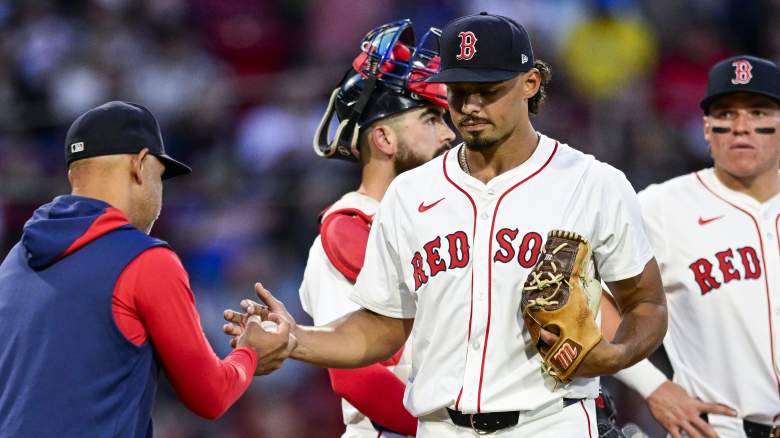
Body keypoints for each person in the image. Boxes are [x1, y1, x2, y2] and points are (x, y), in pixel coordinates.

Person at [226, 12, 667, 437]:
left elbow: (645, 304)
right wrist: (295, 341)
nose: (470, 106)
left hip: (552, 421)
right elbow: (383, 326)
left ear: (531, 83)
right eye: (458, 91)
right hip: (440, 427)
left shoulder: (593, 183)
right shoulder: (411, 193)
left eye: (487, 89)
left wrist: (617, 355)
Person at [0, 101, 292, 437]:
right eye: (161, 176)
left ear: (72, 175)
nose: (160, 191)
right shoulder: (145, 260)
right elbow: (211, 396)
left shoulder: (15, 259)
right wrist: (250, 353)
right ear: (140, 165)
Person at [612, 55, 780, 438]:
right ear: (706, 128)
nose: (741, 127)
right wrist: (653, 386)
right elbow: (583, 298)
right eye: (725, 114)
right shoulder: (662, 207)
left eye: (758, 113)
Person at [301, 20, 455, 437]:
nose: (448, 134)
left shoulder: (445, 222)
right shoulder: (347, 230)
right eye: (430, 119)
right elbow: (356, 378)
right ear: (384, 139)